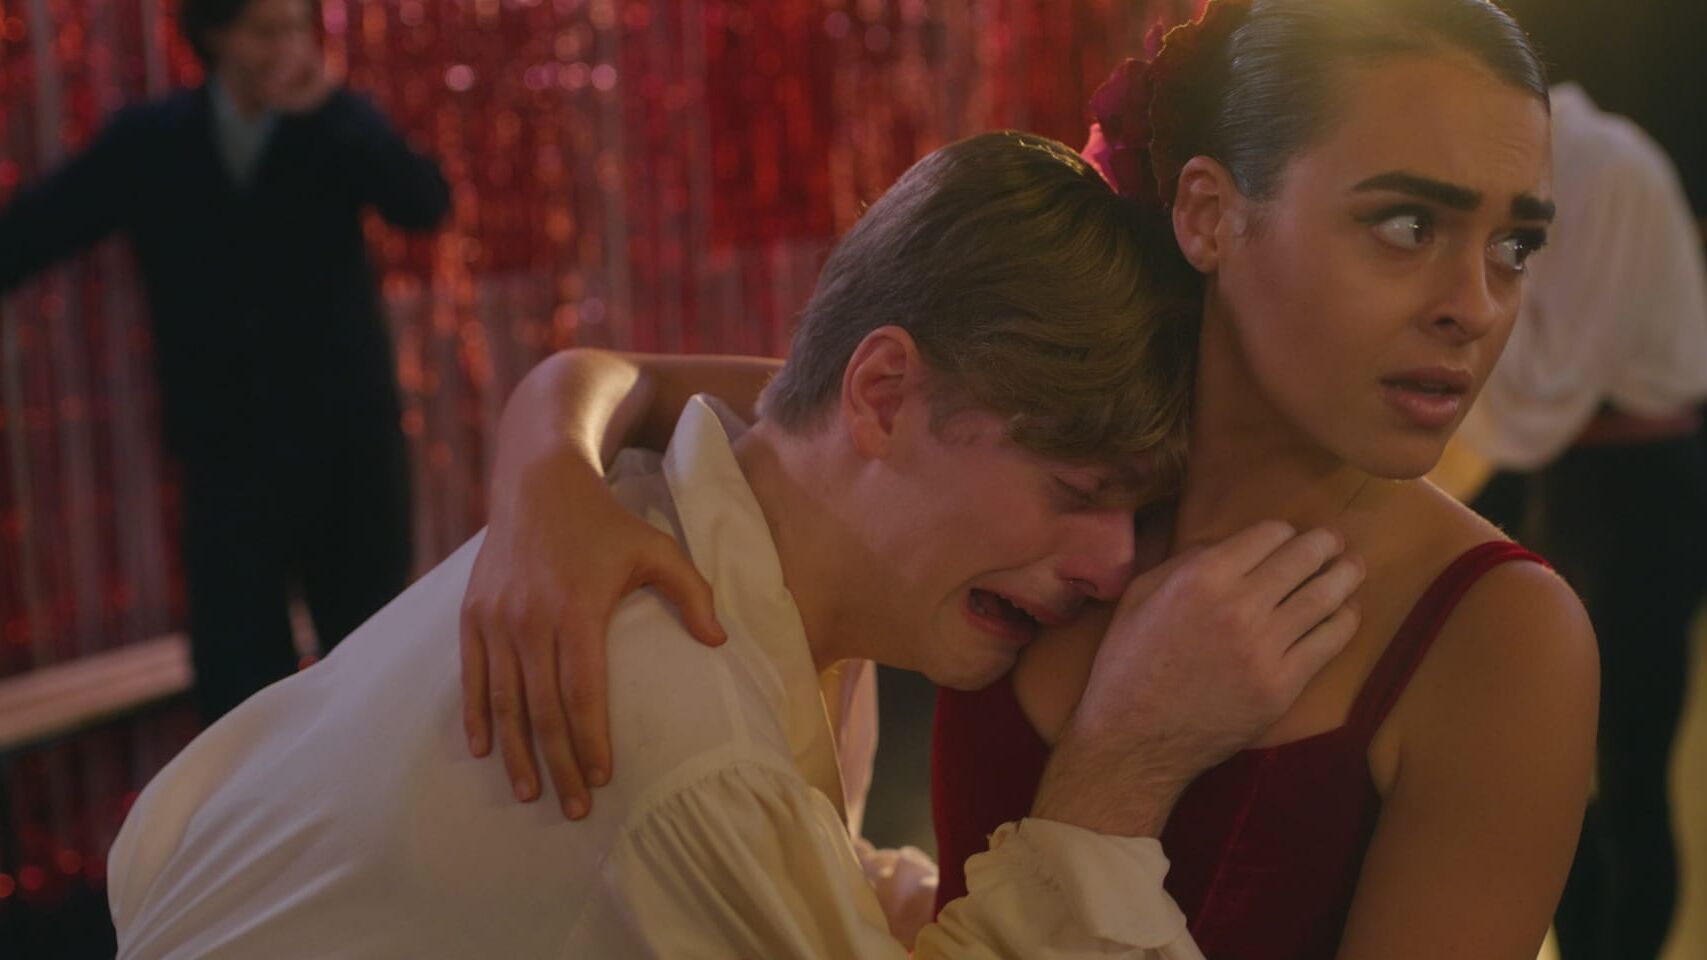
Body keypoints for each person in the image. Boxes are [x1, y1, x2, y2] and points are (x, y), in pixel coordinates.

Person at [454, 1, 1599, 957]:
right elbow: (725, 397)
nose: (1474, 305)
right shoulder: (1049, 434)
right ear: (1209, 213)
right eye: (1406, 224)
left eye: (1516, 246)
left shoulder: (1501, 636)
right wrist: (545, 483)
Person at [105, 131, 1364, 958]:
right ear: (882, 395)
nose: (1114, 564)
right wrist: (1122, 773)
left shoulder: (716, 511)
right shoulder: (691, 738)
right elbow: (698, 806)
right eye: (1077, 489)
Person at [0, 0, 449, 719]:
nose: (289, 48)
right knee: (238, 684)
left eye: (298, 28)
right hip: (226, 454)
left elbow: (423, 203)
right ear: (216, 37)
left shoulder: (336, 125)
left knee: (374, 672)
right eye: (267, 32)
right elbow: (35, 230)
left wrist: (335, 109)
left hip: (348, 447)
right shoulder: (153, 140)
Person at [1447, 80, 1707, 960]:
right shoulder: (1554, 164)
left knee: (1627, 768)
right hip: (1571, 474)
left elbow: (1546, 376)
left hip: (1639, 486)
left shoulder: (1608, 168)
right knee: (1551, 775)